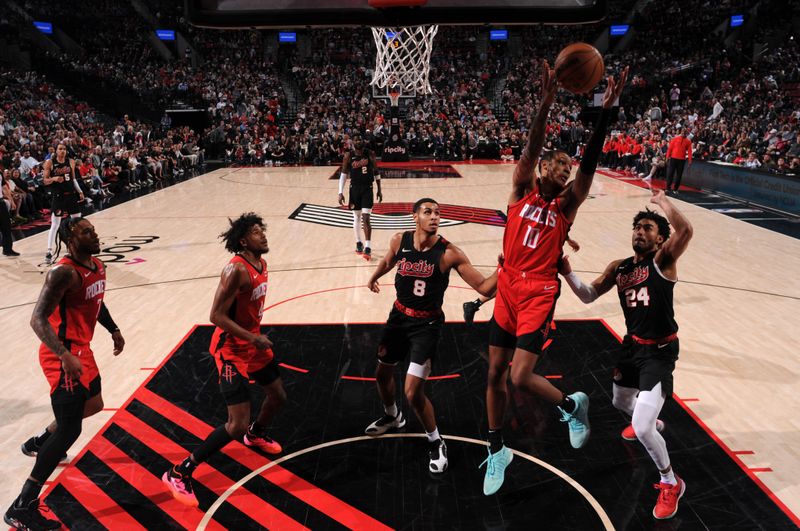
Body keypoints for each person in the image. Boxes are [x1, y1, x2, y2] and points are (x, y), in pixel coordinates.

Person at [481, 61, 628, 496]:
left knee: (520, 378)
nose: (564, 171)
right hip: (508, 286)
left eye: (568, 168)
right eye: (558, 165)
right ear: (542, 166)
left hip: (540, 290)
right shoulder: (520, 189)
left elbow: (591, 164)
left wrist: (607, 111)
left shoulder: (565, 207)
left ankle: (570, 406)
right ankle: (497, 449)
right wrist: (544, 103)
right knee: (493, 375)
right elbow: (531, 145)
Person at [558, 189, 693, 520]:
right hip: (631, 346)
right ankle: (650, 420)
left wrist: (663, 202)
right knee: (620, 403)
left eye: (648, 228)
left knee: (642, 427)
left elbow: (686, 232)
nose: (640, 232)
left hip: (659, 352)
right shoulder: (618, 268)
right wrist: (567, 272)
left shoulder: (663, 262)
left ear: (661, 239)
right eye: (638, 227)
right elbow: (589, 296)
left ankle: (670, 481)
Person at [4, 218, 124, 530]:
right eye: (86, 232)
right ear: (70, 238)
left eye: (95, 229)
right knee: (70, 431)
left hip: (82, 350)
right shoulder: (63, 271)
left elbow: (97, 301)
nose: (94, 234)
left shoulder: (97, 266)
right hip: (62, 354)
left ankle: (39, 442)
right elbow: (38, 319)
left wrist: (114, 329)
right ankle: (22, 506)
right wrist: (63, 354)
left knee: (94, 404)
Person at [365, 198, 497, 473]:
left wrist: (503, 270)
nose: (435, 216)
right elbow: (390, 261)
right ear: (415, 216)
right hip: (398, 318)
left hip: (427, 327)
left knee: (412, 392)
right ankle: (392, 417)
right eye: (428, 212)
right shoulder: (399, 240)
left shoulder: (450, 253)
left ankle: (436, 441)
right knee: (381, 375)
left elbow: (485, 287)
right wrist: (374, 276)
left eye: (438, 213)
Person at [164, 213, 287, 507]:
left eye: (263, 230)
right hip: (231, 348)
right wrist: (252, 337)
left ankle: (256, 435)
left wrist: (254, 338)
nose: (264, 235)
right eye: (257, 232)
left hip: (252, 343)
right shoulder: (236, 270)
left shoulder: (262, 264)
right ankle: (180, 470)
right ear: (243, 241)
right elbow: (215, 316)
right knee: (235, 425)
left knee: (278, 396)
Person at [463, 238, 580, 324]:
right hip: (532, 265)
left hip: (525, 260)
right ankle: (493, 318)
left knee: (510, 287)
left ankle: (476, 305)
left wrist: (568, 239)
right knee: (517, 291)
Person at [338, 135, 383, 259]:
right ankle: (359, 242)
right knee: (356, 217)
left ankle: (368, 246)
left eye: (360, 139)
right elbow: (343, 174)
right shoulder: (348, 155)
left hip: (367, 189)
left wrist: (379, 189)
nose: (358, 141)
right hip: (354, 189)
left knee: (366, 217)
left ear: (363, 141)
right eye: (356, 139)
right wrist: (340, 192)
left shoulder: (370, 154)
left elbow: (376, 171)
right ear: (353, 142)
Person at [43, 143, 85, 266]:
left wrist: (80, 191)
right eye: (60, 149)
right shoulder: (49, 163)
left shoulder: (71, 161)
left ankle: (78, 246)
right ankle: (49, 251)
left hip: (71, 195)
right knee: (55, 224)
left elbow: (73, 179)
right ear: (56, 151)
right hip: (58, 197)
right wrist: (54, 179)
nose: (62, 151)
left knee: (77, 222)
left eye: (64, 149)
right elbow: (45, 181)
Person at [665, 128, 692, 194]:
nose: (683, 133)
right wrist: (667, 157)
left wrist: (690, 161)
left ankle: (675, 189)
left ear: (686, 133)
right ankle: (668, 188)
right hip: (673, 159)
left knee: (679, 175)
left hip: (682, 160)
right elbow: (670, 149)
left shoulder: (688, 141)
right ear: (681, 132)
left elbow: (689, 152)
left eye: (685, 133)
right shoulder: (675, 139)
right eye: (682, 132)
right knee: (670, 174)